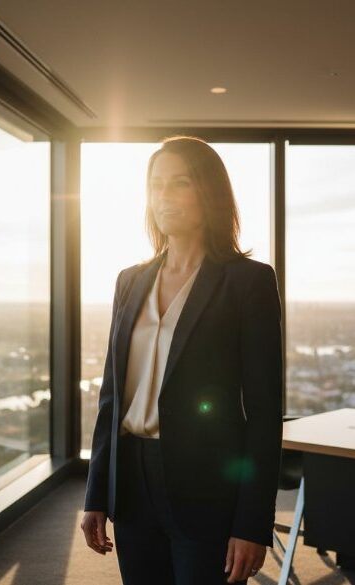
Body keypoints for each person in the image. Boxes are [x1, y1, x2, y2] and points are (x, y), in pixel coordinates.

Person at [80, 136, 283, 584]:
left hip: (207, 488)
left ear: (208, 191)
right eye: (156, 185)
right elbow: (111, 398)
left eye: (179, 183)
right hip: (132, 484)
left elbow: (265, 413)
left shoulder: (248, 282)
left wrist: (252, 524)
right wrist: (97, 492)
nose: (164, 197)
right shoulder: (129, 281)